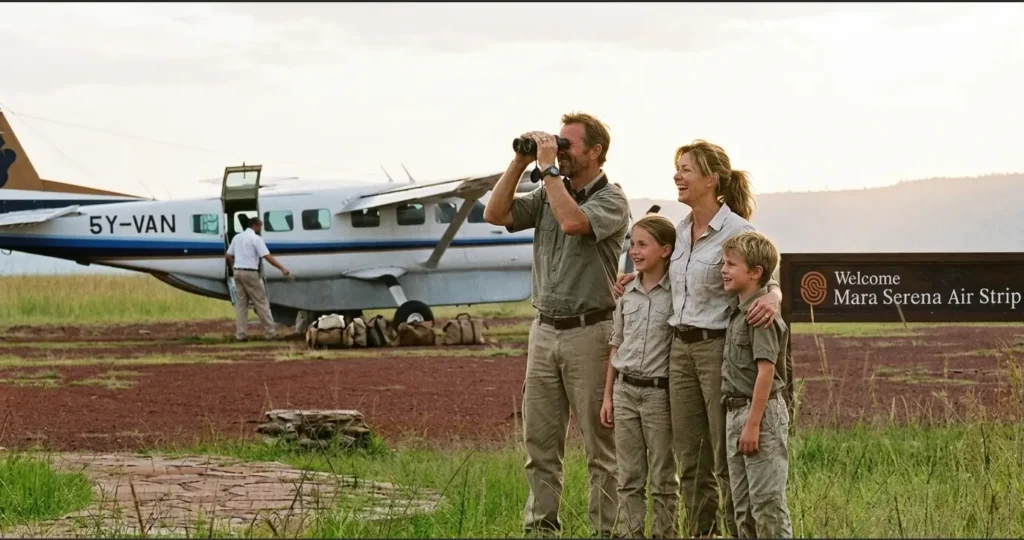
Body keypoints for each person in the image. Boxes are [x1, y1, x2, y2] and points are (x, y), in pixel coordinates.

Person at [614, 139, 784, 538]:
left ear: (711, 179)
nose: (678, 176)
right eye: (678, 168)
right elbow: (667, 278)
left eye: (687, 169)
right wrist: (632, 278)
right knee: (689, 458)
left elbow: (765, 278)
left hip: (717, 350)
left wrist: (774, 296)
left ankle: (738, 531)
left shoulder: (737, 229)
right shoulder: (680, 232)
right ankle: (701, 533)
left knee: (725, 455)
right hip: (679, 349)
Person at [484, 112, 631, 537]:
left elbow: (573, 223)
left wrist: (547, 170)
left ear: (595, 151)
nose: (560, 153)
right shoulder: (551, 188)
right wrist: (518, 162)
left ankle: (608, 531)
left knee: (601, 447)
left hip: (591, 331)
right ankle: (541, 530)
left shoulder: (612, 199)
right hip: (544, 329)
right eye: (557, 144)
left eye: (568, 145)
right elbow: (495, 214)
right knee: (540, 444)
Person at [599, 214, 679, 538]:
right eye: (632, 243)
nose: (634, 250)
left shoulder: (677, 293)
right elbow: (616, 346)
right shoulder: (626, 293)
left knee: (662, 478)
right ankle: (630, 534)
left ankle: (665, 533)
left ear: (666, 250)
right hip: (625, 391)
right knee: (628, 478)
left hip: (659, 395)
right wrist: (608, 396)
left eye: (643, 244)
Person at [720, 230, 792, 538]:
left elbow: (766, 372)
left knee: (767, 504)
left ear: (756, 272)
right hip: (734, 411)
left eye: (731, 264)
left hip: (758, 415)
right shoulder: (736, 311)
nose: (723, 269)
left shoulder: (759, 315)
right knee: (743, 506)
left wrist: (752, 424)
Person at [225, 216, 290, 341]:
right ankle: (270, 333)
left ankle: (241, 335)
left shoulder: (237, 237)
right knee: (261, 302)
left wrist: (233, 267)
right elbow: (267, 256)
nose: (260, 229)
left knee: (241, 305)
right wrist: (281, 268)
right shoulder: (256, 239)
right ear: (255, 225)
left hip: (238, 272)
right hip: (250, 273)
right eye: (260, 226)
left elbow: (228, 255)